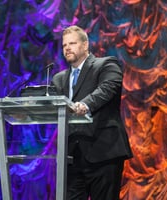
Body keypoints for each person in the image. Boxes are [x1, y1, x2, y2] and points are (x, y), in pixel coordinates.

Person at [51, 25, 133, 200]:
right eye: (64, 45)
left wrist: (85, 105)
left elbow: (107, 89)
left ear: (85, 45)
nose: (67, 48)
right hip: (72, 156)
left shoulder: (106, 65)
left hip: (104, 151)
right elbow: (52, 106)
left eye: (72, 43)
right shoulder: (58, 79)